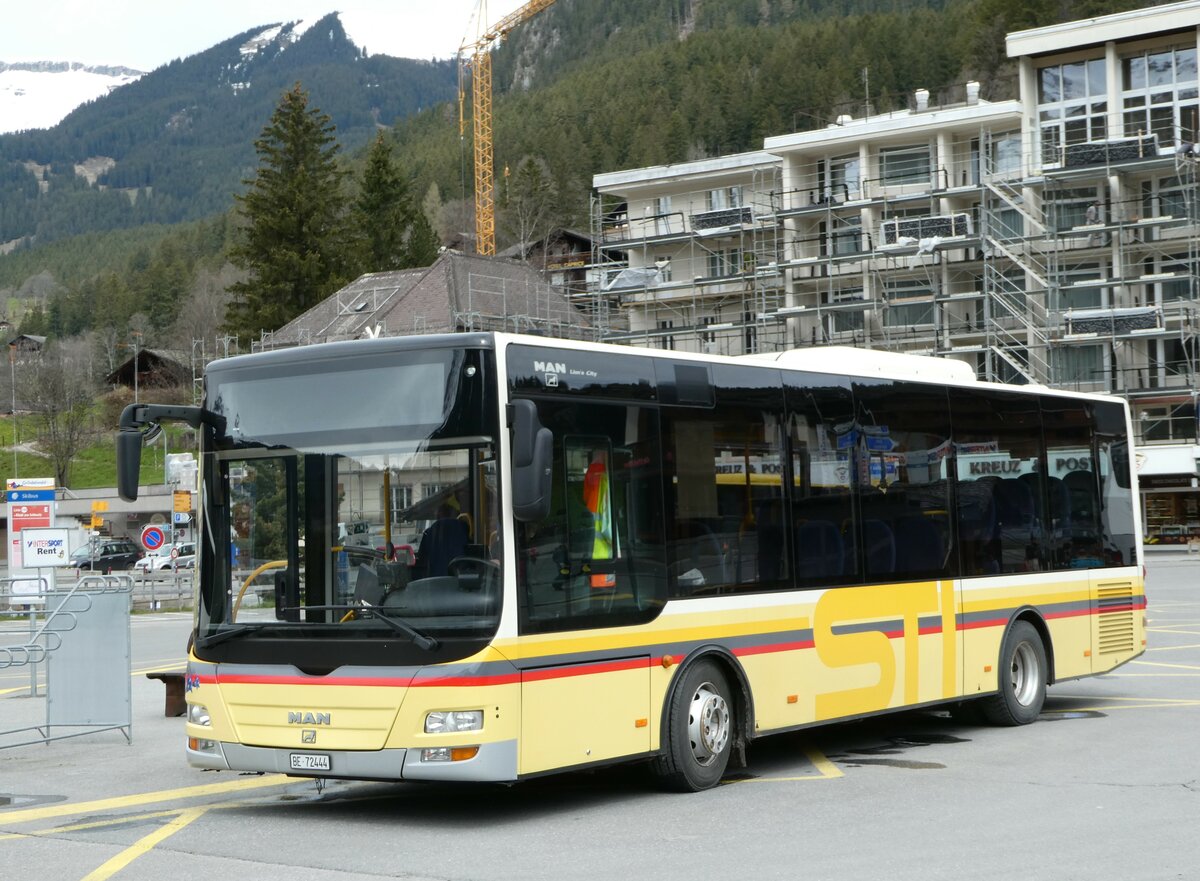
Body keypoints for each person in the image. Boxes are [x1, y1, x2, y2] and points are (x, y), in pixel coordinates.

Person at [412, 503, 468, 579]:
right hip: (463, 581)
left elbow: (422, 560)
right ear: (455, 515)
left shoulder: (429, 533)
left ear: (438, 516)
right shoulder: (466, 530)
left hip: (435, 582)